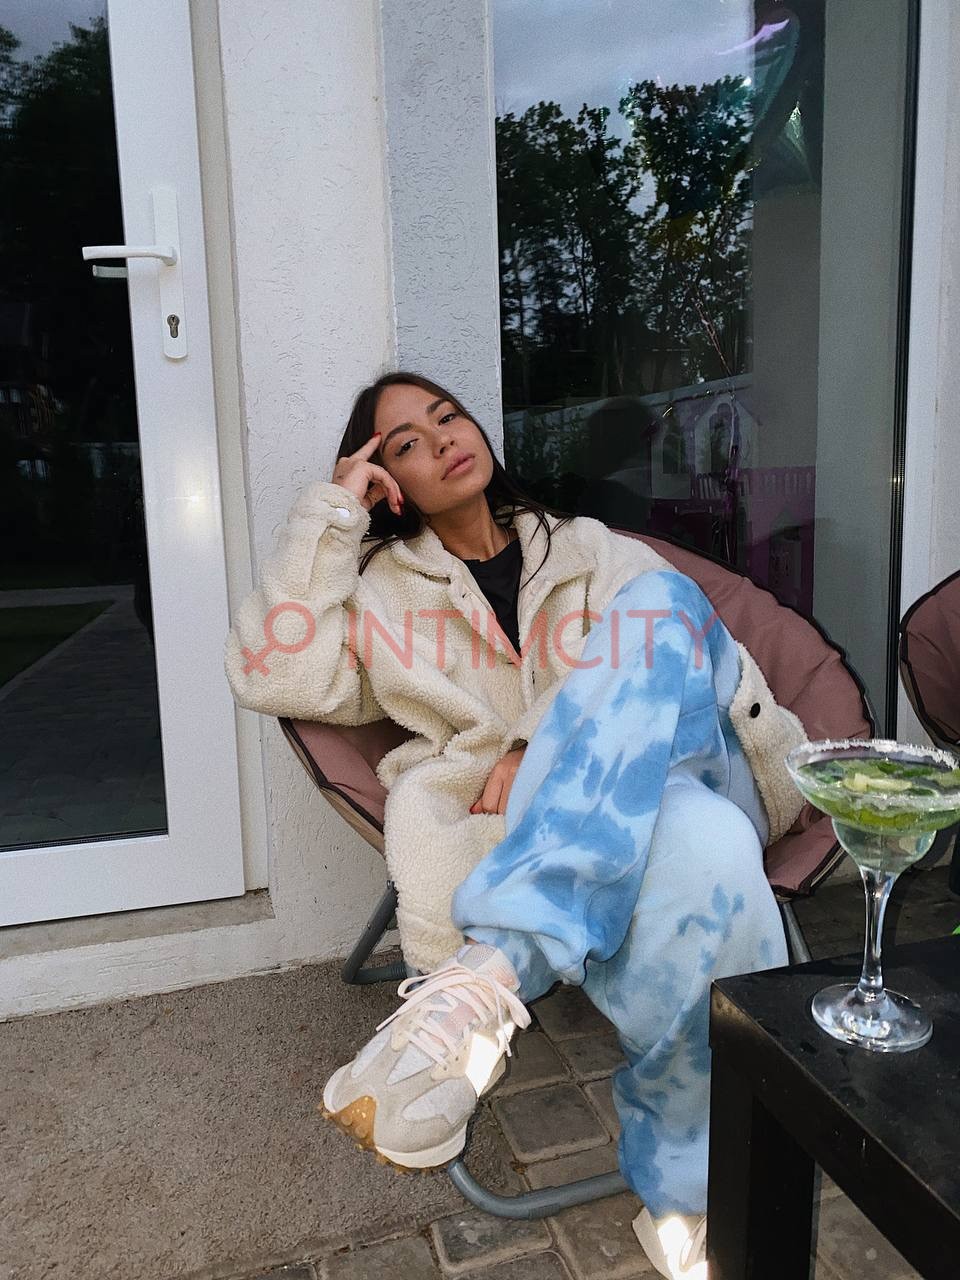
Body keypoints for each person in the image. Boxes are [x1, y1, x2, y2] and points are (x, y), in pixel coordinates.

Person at [223, 371, 806, 1280]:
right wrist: (331, 517)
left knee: (660, 608)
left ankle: (494, 970)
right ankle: (692, 1196)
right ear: (387, 483)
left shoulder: (590, 547)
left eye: (447, 417)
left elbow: (692, 647)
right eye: (406, 443)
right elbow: (274, 676)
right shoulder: (380, 595)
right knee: (703, 847)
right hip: (620, 825)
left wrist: (537, 742)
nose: (441, 439)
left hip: (702, 760)